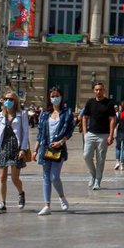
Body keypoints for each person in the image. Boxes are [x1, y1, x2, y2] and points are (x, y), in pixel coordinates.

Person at [34, 87, 74, 215]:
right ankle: (47, 205)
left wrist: (60, 142)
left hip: (59, 148)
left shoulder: (67, 112)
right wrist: (35, 150)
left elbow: (69, 131)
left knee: (54, 176)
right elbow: (40, 133)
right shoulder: (45, 114)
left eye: (57, 96)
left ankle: (62, 198)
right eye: (52, 96)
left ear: (61, 97)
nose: (54, 98)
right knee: (46, 177)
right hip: (45, 147)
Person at [0, 92, 30, 214]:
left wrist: (23, 149)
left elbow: (25, 133)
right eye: (6, 99)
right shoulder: (0, 115)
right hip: (3, 147)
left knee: (14, 178)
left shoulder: (22, 114)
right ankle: (2, 203)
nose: (8, 101)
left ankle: (21, 193)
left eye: (11, 99)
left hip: (16, 148)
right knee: (2, 176)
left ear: (16, 101)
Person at [80, 82, 116, 191]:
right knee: (86, 156)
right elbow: (84, 117)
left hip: (103, 135)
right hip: (91, 134)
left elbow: (112, 120)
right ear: (93, 90)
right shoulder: (90, 102)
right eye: (96, 89)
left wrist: (111, 135)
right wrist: (85, 133)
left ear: (103, 90)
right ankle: (93, 174)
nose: (98, 91)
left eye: (100, 89)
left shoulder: (109, 103)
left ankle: (98, 180)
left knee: (100, 159)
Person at [113, 100, 124, 171]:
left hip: (119, 132)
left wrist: (113, 132)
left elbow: (115, 123)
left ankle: (117, 162)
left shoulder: (118, 114)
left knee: (118, 147)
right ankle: (122, 165)